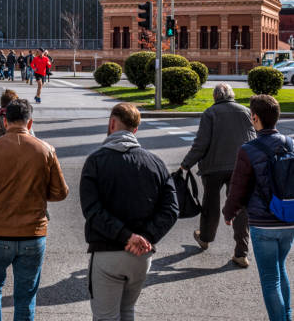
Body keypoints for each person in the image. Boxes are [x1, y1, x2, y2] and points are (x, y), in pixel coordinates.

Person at [0, 99, 68, 320]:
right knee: (26, 295)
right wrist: (36, 193)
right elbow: (60, 192)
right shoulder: (46, 150)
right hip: (34, 233)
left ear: (5, 122)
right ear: (30, 123)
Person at [80, 103, 178, 321]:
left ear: (112, 123)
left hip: (107, 252)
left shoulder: (95, 161)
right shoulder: (156, 163)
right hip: (142, 256)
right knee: (127, 312)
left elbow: (92, 210)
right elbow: (171, 209)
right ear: (135, 130)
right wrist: (146, 237)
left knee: (106, 317)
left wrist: (126, 236)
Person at [224, 95, 294, 321]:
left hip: (263, 224)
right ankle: (287, 315)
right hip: (289, 219)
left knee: (269, 278)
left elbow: (238, 186)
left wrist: (229, 212)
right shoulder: (291, 143)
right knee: (280, 268)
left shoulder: (248, 149)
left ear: (254, 118)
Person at [180, 83, 256, 267]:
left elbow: (201, 144)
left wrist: (186, 164)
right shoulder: (245, 111)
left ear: (215, 97)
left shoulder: (210, 113)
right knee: (240, 207)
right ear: (232, 95)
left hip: (212, 168)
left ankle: (205, 238)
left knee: (210, 204)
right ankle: (241, 252)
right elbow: (252, 137)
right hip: (240, 167)